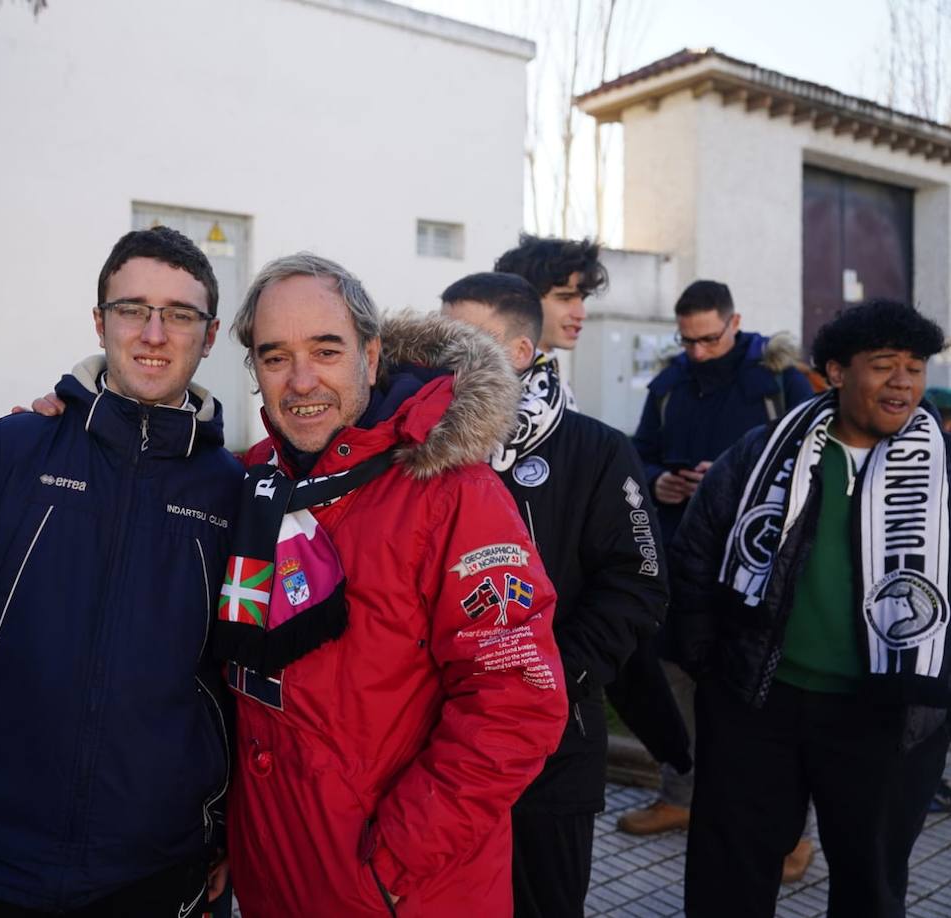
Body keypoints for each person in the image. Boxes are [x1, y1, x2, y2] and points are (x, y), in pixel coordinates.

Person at [0, 226, 240, 916]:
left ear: (209, 335)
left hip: (156, 861)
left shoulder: (230, 489)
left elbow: (232, 674)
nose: (154, 333)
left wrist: (226, 831)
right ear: (100, 322)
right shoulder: (13, 451)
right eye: (132, 309)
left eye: (180, 314)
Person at [214, 254, 567, 916]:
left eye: (326, 350)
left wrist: (395, 862)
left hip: (400, 890)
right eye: (274, 356)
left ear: (371, 357)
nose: (301, 380)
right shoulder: (253, 480)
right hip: (273, 875)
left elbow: (516, 701)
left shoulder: (453, 493)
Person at [669, 299, 951, 917]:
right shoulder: (763, 451)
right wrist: (707, 663)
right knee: (730, 875)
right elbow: (695, 553)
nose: (902, 381)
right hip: (758, 701)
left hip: (885, 713)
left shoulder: (944, 471)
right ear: (836, 371)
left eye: (915, 367)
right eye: (883, 365)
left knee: (871, 887)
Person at [440, 272, 671, 918]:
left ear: (518, 354)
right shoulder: (425, 448)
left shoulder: (597, 451)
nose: (444, 358)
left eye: (467, 340)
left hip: (552, 747)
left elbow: (639, 585)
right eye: (442, 338)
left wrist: (554, 673)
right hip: (438, 746)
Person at [617, 279, 813, 844]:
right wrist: (661, 482)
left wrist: (734, 483)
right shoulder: (670, 382)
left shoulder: (781, 379)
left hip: (761, 563)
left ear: (735, 322)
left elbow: (813, 458)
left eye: (708, 339)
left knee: (766, 697)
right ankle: (680, 795)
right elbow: (640, 452)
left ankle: (792, 837)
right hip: (684, 558)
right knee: (676, 676)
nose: (698, 351)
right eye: (688, 341)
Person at [493, 234, 609, 408]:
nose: (581, 313)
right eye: (565, 298)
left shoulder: (550, 369)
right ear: (520, 300)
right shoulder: (498, 382)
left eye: (582, 299)